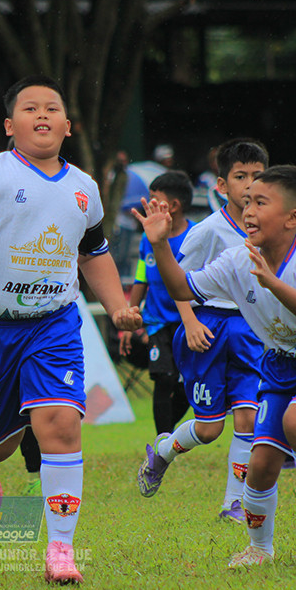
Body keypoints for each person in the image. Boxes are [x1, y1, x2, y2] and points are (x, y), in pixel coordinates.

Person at [0, 75, 141, 585]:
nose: (41, 115)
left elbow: (94, 254)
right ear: (9, 125)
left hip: (54, 325)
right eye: (29, 108)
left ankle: (61, 550)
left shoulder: (83, 188)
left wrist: (117, 308)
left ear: (67, 126)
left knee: (62, 426)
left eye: (51, 109)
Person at [133, 164, 296, 568]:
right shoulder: (236, 259)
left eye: (261, 202)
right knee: (259, 467)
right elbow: (181, 288)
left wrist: (272, 282)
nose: (249, 210)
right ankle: (259, 548)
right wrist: (159, 246)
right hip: (280, 366)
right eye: (247, 201)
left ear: (293, 218)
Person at [136, 139, 267, 525]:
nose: (249, 185)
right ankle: (163, 451)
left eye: (257, 176)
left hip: (248, 330)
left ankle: (234, 504)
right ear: (222, 186)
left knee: (247, 420)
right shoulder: (207, 231)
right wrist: (190, 322)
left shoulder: (270, 227)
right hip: (207, 327)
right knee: (210, 430)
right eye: (240, 176)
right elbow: (179, 282)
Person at [119, 170, 195, 436]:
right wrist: (130, 320)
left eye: (153, 200)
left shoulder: (196, 237)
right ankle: (162, 443)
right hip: (157, 322)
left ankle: (169, 436)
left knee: (188, 384)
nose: (147, 205)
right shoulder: (146, 238)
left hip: (191, 323)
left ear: (172, 206)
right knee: (164, 379)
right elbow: (142, 278)